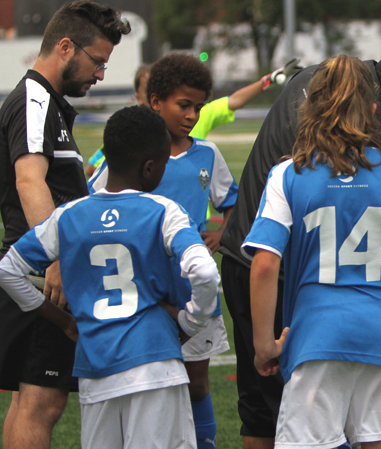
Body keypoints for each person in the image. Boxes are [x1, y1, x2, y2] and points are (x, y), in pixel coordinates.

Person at [218, 39, 381, 449]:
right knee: (275, 413)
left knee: (283, 420)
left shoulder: (298, 163)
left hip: (306, 304)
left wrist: (266, 345)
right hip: (314, 291)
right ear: (380, 98)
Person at [0, 105, 219, 449]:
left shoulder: (68, 216)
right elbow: (204, 270)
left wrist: (60, 320)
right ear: (150, 167)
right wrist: (191, 322)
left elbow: (7, 270)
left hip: (95, 370)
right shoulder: (164, 210)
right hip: (155, 367)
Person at [87, 53, 238, 449]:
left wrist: (222, 237)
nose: (191, 115)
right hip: (144, 289)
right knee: (147, 383)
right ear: (155, 101)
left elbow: (233, 202)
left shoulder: (207, 155)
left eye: (198, 107)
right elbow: (94, 203)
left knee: (197, 383)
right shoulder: (128, 156)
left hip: (193, 287)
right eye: (183, 105)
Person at [0, 2, 130, 448]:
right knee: (42, 402)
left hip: (35, 270)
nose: (99, 74)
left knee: (31, 401)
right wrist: (56, 259)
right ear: (65, 46)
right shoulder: (34, 98)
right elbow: (28, 179)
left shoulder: (48, 104)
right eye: (97, 61)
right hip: (40, 274)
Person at [84, 59, 300, 176]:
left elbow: (233, 100)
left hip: (196, 231)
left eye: (194, 107)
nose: (191, 115)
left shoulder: (200, 117)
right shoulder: (128, 133)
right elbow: (94, 169)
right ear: (147, 97)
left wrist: (268, 80)